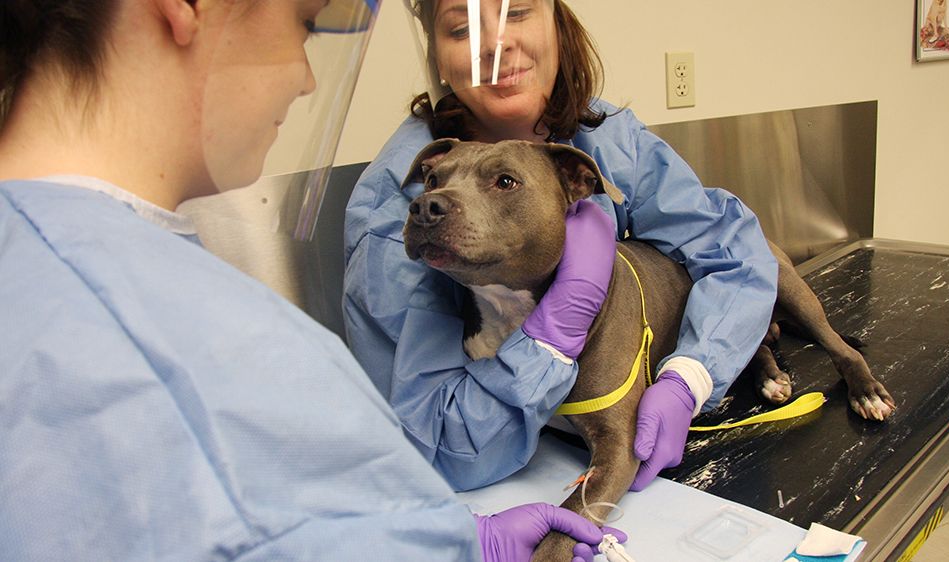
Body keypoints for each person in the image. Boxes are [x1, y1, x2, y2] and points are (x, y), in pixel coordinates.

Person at [0, 1, 623, 560]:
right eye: (305, 24)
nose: (307, 78)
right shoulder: (174, 344)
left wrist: (463, 539)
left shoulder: (62, 267)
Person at [343, 0, 779, 492]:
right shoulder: (397, 209)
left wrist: (693, 373)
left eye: (519, 11)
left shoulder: (604, 136)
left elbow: (732, 251)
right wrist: (552, 336)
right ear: (437, 60)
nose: (496, 44)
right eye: (462, 28)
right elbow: (435, 445)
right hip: (503, 479)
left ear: (558, 24)